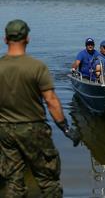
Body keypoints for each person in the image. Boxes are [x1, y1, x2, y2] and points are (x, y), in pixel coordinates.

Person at [0, 19, 79, 198]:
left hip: (5, 132)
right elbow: (51, 101)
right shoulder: (37, 67)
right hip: (33, 129)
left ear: (5, 39)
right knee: (48, 180)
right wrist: (66, 128)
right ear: (27, 38)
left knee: (12, 180)